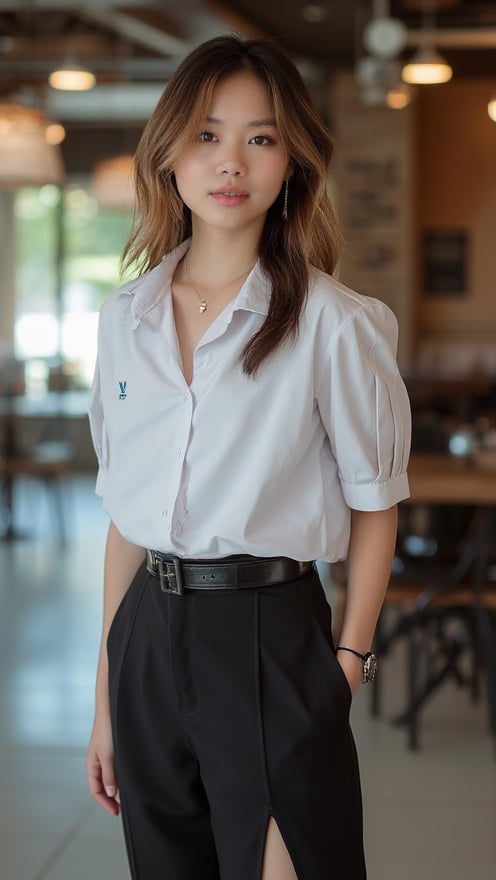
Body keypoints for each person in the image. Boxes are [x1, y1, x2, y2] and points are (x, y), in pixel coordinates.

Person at [86, 33, 411, 880]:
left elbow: (379, 504)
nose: (232, 161)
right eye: (206, 134)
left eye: (261, 138)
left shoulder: (334, 323)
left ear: (293, 162)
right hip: (148, 641)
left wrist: (345, 668)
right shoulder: (127, 319)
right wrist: (107, 701)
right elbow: (129, 518)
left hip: (272, 638)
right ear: (168, 155)